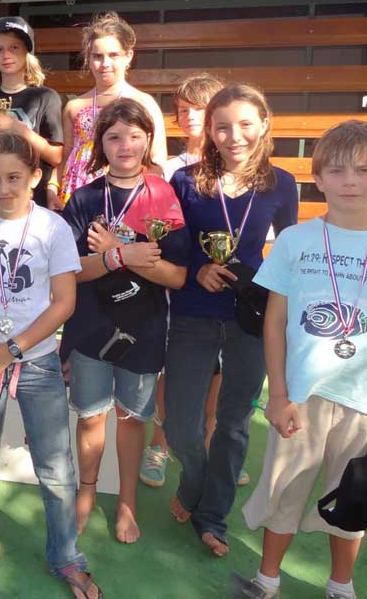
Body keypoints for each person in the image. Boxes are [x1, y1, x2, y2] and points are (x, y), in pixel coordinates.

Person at [233, 120, 367, 599]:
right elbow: (274, 322)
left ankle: (341, 587)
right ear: (318, 179)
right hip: (301, 397)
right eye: (338, 171)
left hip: (366, 403)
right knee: (285, 491)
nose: (350, 182)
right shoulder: (294, 241)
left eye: (364, 171)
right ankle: (267, 581)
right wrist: (278, 395)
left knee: (353, 497)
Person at [0, 132, 101, 599]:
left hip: (35, 362)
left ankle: (66, 556)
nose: (3, 188)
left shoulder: (53, 228)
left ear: (36, 176)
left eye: (14, 177)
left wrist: (10, 351)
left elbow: (64, 302)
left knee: (55, 467)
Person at [165, 84, 298, 557]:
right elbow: (172, 245)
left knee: (234, 421)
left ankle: (213, 516)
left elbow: (290, 250)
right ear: (209, 130)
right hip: (192, 311)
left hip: (250, 317)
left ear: (264, 125)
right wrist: (196, 269)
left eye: (245, 124)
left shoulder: (281, 183)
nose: (234, 136)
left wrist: (268, 288)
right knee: (180, 425)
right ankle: (195, 483)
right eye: (222, 126)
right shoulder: (185, 181)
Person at [61, 100, 190, 544]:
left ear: (148, 140)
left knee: (132, 419)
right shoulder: (84, 198)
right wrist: (119, 256)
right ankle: (86, 492)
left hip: (144, 327)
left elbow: (176, 276)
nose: (125, 145)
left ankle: (127, 503)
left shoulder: (163, 196)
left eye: (135, 136)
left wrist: (123, 254)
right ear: (100, 143)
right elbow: (71, 270)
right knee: (91, 417)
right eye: (114, 136)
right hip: (91, 327)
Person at [142, 74, 226, 489]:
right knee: (170, 367)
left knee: (217, 369)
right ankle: (159, 445)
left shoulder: (238, 167)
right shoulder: (169, 170)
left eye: (198, 107)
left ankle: (210, 442)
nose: (189, 115)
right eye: (182, 109)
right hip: (179, 286)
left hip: (221, 288)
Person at [49, 12, 165, 209]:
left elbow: (157, 160)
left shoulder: (144, 103)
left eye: (113, 55)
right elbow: (65, 156)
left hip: (125, 198)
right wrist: (52, 188)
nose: (105, 64)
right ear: (88, 58)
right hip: (75, 197)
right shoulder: (74, 106)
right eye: (97, 56)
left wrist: (139, 200)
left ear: (128, 56)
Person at [0, 16, 63, 208]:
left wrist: (19, 129)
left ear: (28, 53)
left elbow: (56, 156)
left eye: (14, 48)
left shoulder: (46, 97)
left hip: (32, 202)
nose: (6, 55)